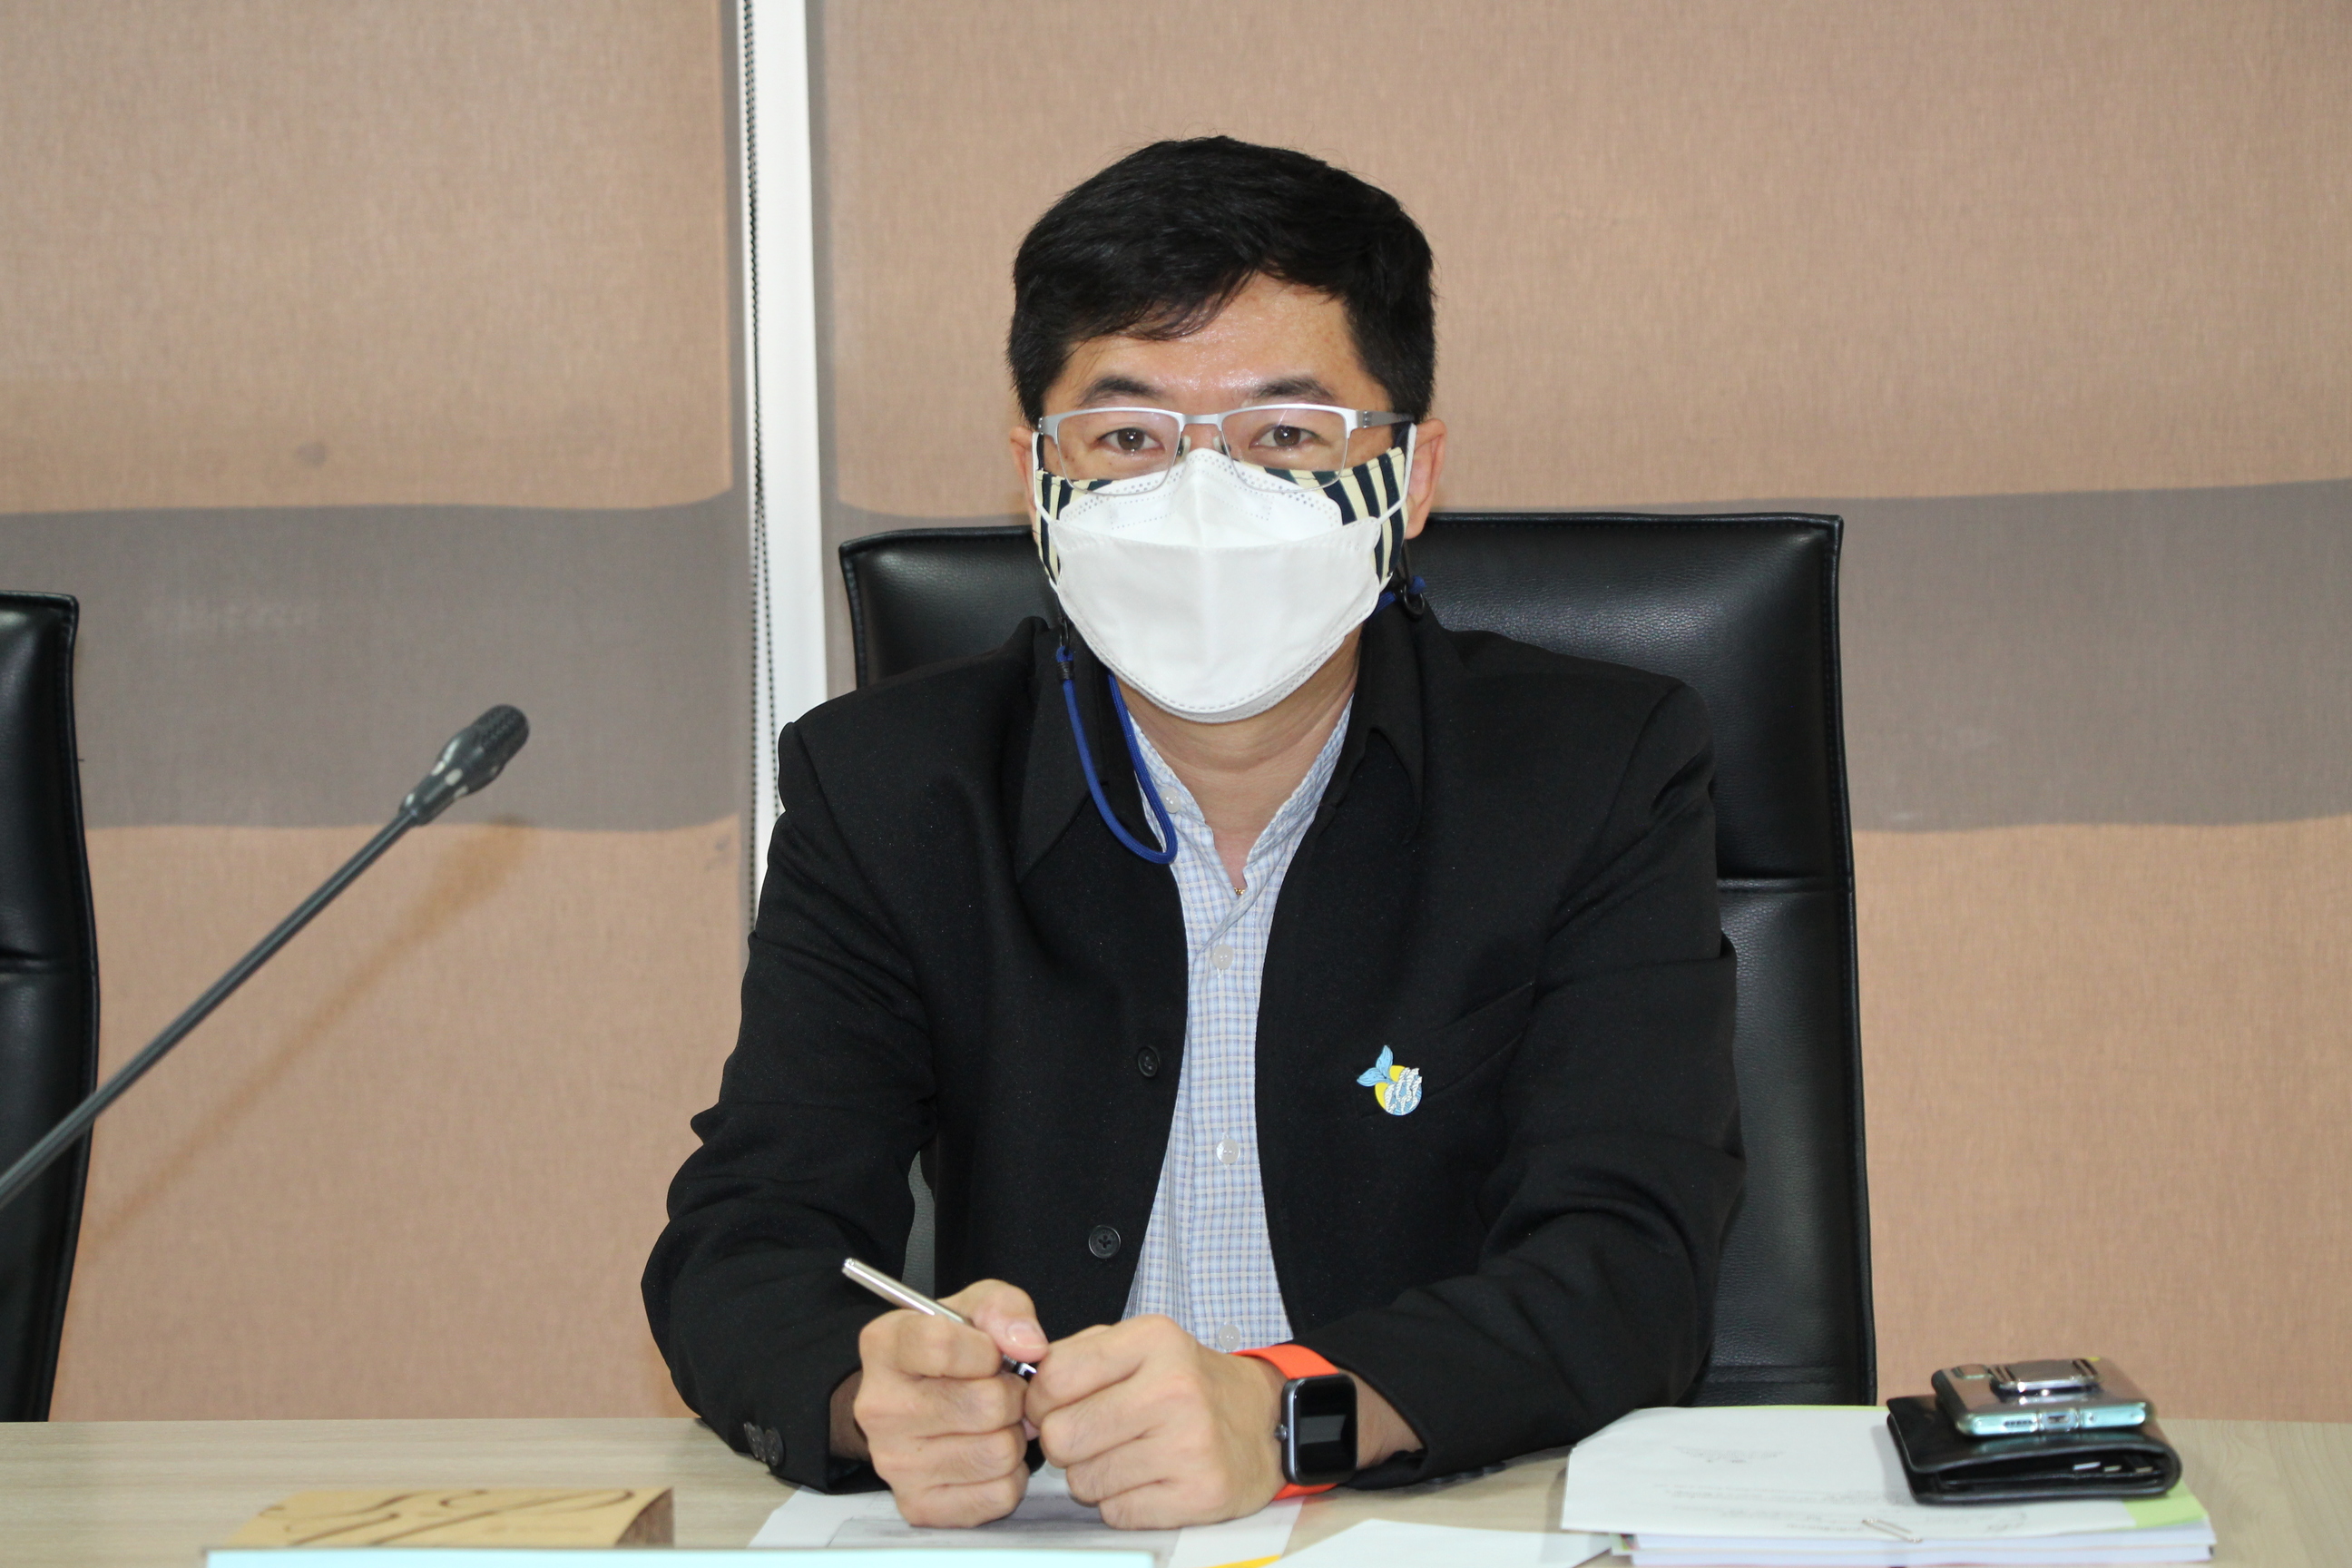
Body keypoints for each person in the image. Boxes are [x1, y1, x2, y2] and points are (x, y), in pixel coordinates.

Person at [643, 136, 1740, 1531]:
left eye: (1286, 437)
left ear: (1410, 476)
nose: (1204, 501)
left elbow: (1629, 1265)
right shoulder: (891, 791)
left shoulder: (1592, 771)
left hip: (1438, 1528)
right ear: (1036, 477)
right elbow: (744, 1242)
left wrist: (1285, 1412)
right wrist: (874, 1398)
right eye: (1129, 440)